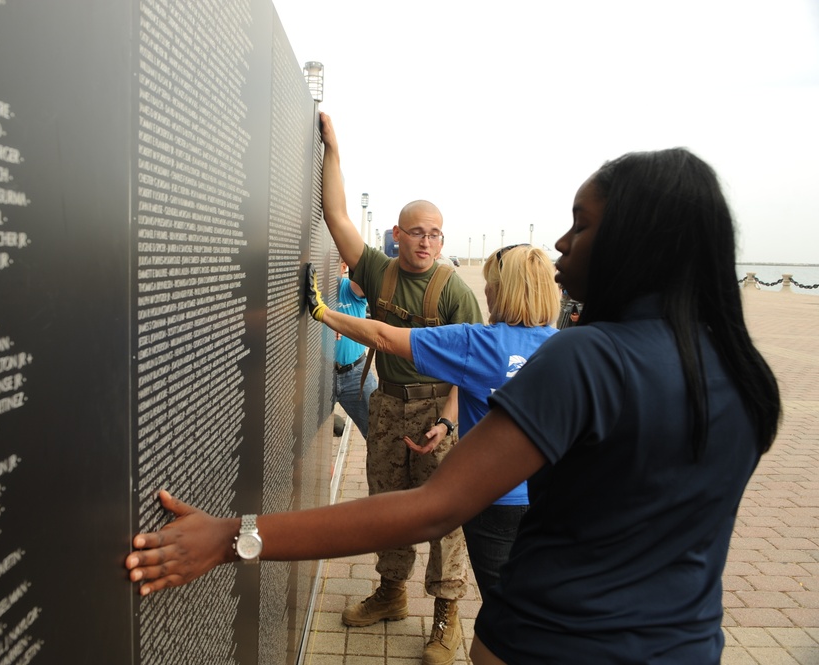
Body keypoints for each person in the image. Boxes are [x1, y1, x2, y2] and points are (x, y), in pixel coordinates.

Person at [126, 148, 781, 664]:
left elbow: (432, 507)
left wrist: (233, 536)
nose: (559, 242)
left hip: (551, 642)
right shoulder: (746, 378)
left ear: (639, 242)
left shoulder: (583, 361)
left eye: (581, 224)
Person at [320, 112, 484, 665]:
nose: (427, 241)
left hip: (438, 414)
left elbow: (474, 368)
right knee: (388, 505)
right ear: (397, 233)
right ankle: (391, 593)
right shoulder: (377, 270)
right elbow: (337, 215)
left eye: (436, 233)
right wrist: (333, 150)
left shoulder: (455, 292)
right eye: (417, 231)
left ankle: (445, 616)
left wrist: (449, 421)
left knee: (444, 517)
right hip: (388, 408)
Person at [307, 243, 559, 595]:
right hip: (554, 499)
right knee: (538, 596)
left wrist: (322, 312)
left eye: (491, 284)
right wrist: (447, 423)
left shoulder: (480, 343)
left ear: (502, 291)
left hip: (496, 502)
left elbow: (384, 337)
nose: (485, 291)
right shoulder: (569, 346)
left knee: (503, 603)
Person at [332, 261, 377, 438]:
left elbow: (365, 269)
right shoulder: (311, 295)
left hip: (356, 375)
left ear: (343, 267)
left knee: (377, 432)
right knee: (310, 442)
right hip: (319, 376)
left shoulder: (350, 290)